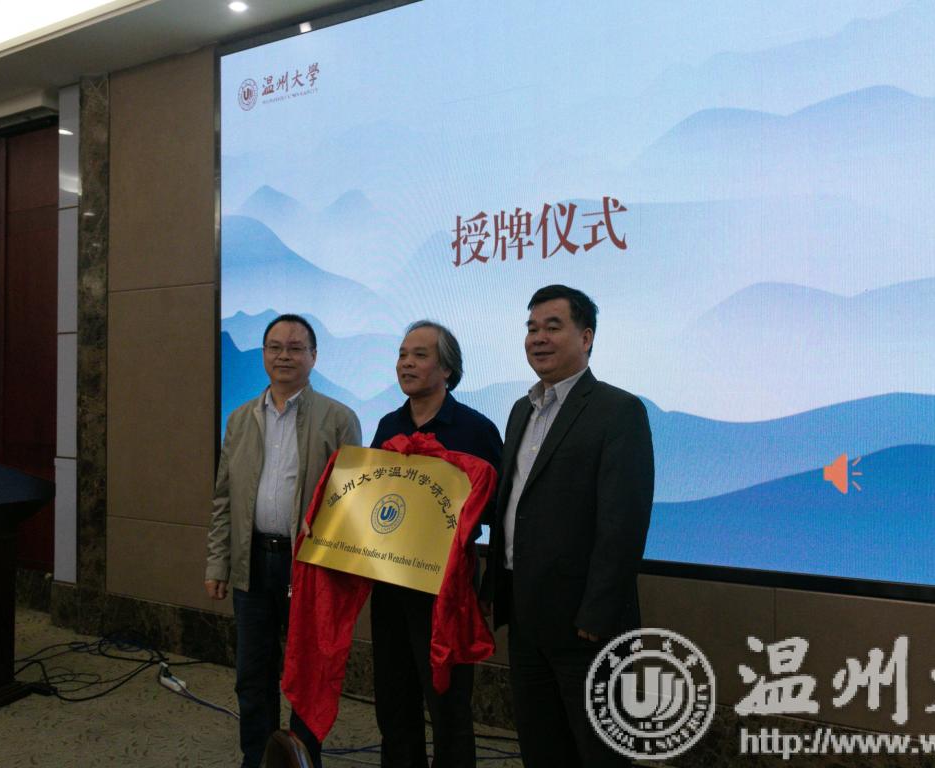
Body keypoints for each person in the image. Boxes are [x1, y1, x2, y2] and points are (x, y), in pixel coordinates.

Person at [482, 285, 654, 768]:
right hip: (526, 616)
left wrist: (595, 617)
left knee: (599, 754)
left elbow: (623, 524)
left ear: (586, 337)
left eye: (552, 327)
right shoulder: (521, 410)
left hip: (585, 625)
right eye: (532, 328)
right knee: (542, 748)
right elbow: (513, 506)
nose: (538, 338)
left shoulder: (618, 411)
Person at [205, 313, 361, 768]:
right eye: (275, 347)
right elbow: (223, 498)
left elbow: (353, 503)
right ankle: (258, 760)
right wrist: (217, 563)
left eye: (295, 348)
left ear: (314, 356)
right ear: (263, 355)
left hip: (308, 566)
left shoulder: (339, 418)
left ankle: (302, 761)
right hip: (252, 560)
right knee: (253, 674)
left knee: (307, 676)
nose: (284, 356)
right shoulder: (240, 419)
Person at [370, 320, 502, 768]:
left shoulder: (475, 430)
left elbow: (499, 513)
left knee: (448, 709)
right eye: (402, 354)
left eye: (420, 355)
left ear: (447, 369)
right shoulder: (388, 426)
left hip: (447, 593)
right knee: (394, 705)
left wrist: (490, 586)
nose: (406, 363)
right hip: (390, 585)